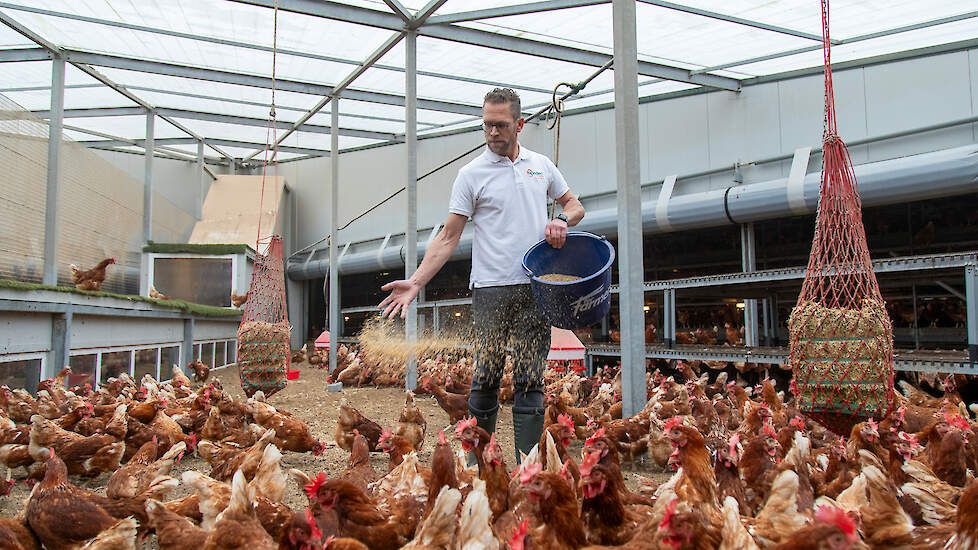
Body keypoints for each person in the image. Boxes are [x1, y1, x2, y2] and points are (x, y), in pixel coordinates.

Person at [379, 88, 585, 462]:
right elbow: (448, 236)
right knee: (486, 376)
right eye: (487, 125)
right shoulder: (471, 174)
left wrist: (560, 219)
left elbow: (575, 206)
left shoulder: (541, 165)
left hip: (534, 287)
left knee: (529, 379)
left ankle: (527, 465)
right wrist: (417, 281)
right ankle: (477, 464)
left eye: (501, 125)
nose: (492, 132)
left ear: (520, 125)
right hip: (490, 289)